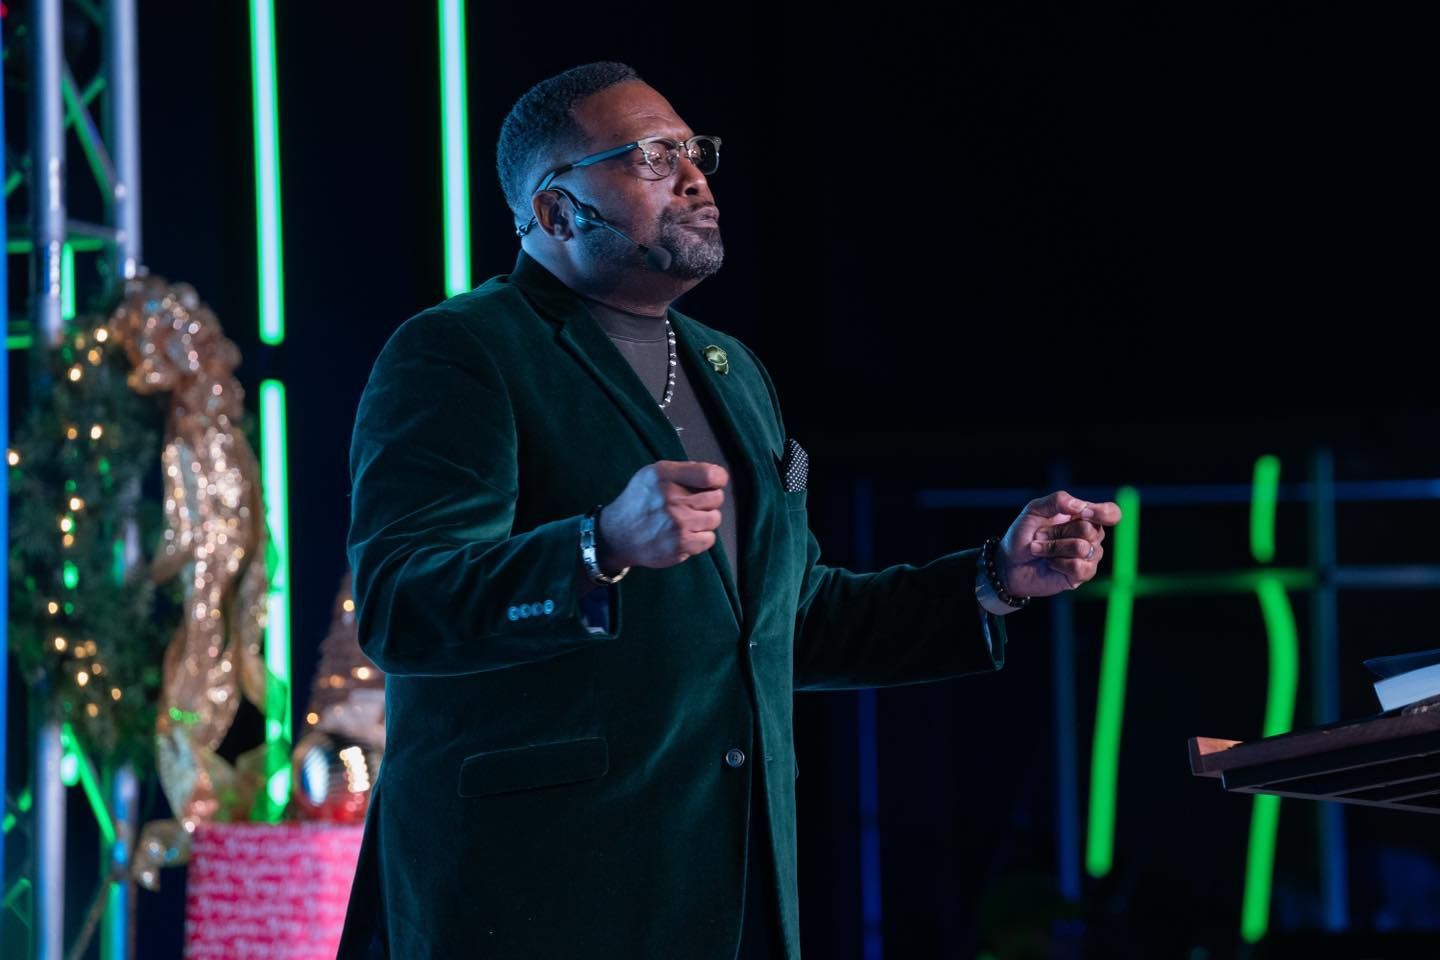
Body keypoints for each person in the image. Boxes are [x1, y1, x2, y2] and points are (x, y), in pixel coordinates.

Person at [337, 61, 1121, 960]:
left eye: (693, 150)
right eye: (652, 157)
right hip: (539, 892)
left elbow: (784, 623)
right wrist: (597, 547)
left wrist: (991, 578)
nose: (695, 176)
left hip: (729, 887)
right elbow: (403, 605)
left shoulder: (730, 368)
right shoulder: (462, 352)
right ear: (554, 211)